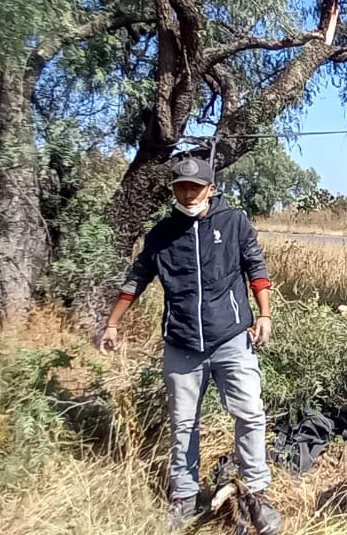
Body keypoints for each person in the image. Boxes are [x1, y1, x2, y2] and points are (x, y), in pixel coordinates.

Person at [100, 156, 284, 535]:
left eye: (195, 188)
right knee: (184, 423)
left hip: (232, 336)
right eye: (181, 187)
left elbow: (257, 269)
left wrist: (264, 316)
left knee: (250, 413)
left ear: (210, 189)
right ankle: (184, 497)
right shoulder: (162, 234)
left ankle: (257, 492)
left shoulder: (234, 222)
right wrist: (112, 324)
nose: (187, 194)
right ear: (173, 190)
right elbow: (136, 279)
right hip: (182, 343)